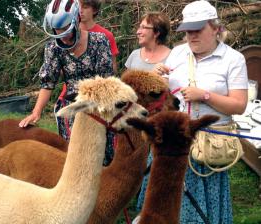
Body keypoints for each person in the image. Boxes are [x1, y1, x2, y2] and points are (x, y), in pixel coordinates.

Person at [157, 1, 248, 223]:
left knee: (205, 208)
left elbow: (239, 105)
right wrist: (157, 77)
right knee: (169, 203)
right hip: (175, 141)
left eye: (198, 30)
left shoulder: (233, 59)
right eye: (188, 31)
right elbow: (164, 94)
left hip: (210, 145)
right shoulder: (178, 53)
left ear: (216, 28)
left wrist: (205, 95)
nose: (191, 36)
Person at [19, 0, 114, 165]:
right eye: (56, 29)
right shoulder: (53, 48)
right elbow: (48, 82)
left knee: (104, 156)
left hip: (99, 104)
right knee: (75, 159)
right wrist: (36, 112)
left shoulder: (100, 40)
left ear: (76, 20)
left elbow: (105, 80)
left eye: (65, 28)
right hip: (70, 107)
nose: (61, 33)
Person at [124, 11, 171, 214]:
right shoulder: (134, 56)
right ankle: (134, 195)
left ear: (157, 32)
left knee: (153, 160)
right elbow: (124, 87)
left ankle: (153, 200)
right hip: (134, 119)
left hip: (157, 121)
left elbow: (171, 92)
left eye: (144, 27)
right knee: (133, 158)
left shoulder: (172, 56)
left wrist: (159, 81)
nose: (138, 31)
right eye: (139, 26)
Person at [79, 0, 119, 74]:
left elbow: (113, 66)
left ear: (94, 10)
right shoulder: (68, 34)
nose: (80, 10)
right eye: (78, 6)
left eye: (85, 7)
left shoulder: (106, 35)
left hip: (96, 83)